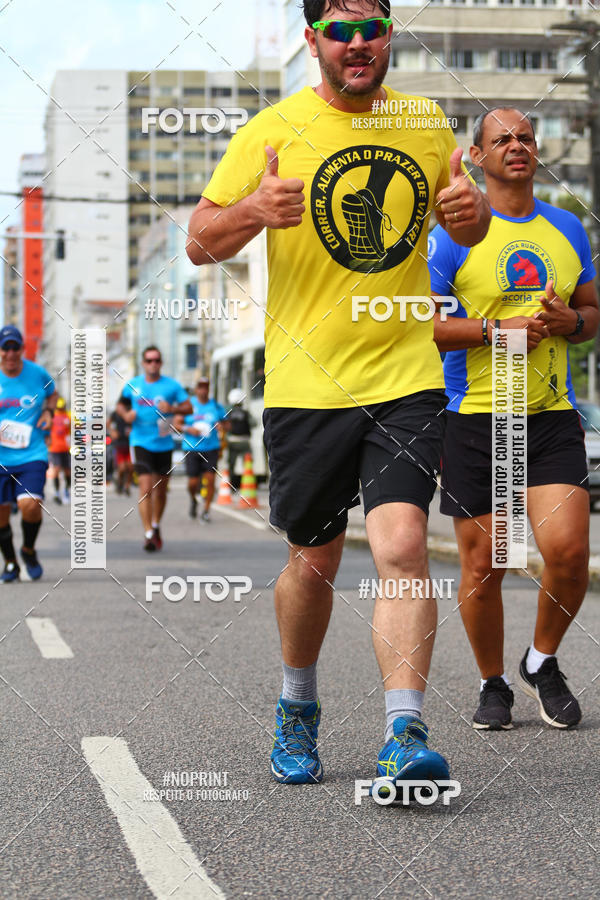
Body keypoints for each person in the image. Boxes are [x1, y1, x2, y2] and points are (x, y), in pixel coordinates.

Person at [186, 0, 489, 787]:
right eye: (342, 31)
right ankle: (297, 703)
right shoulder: (271, 130)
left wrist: (473, 214)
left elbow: (469, 217)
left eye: (373, 29)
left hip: (406, 376)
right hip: (306, 384)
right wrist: (254, 208)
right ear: (314, 40)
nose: (359, 45)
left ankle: (403, 729)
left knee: (403, 549)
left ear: (390, 36)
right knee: (312, 562)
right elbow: (199, 239)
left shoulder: (426, 124)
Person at [429, 107, 599, 730]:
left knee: (569, 553)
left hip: (551, 415)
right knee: (487, 564)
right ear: (477, 156)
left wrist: (567, 324)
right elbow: (426, 329)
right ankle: (492, 682)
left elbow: (590, 313)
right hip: (477, 418)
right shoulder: (451, 232)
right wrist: (497, 332)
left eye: (526, 136)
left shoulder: (566, 227)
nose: (516, 146)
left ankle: (541, 661)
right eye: (500, 139)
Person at [116, 346, 192, 552]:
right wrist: (126, 416)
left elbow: (189, 407)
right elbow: (120, 406)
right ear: (143, 363)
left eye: (156, 360)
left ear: (161, 363)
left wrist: (174, 408)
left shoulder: (171, 386)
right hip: (140, 441)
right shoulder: (133, 385)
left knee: (161, 491)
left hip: (164, 442)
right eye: (149, 360)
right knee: (145, 488)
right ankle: (148, 533)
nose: (153, 364)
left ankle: (156, 524)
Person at [0, 325, 57, 582]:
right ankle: (11, 562)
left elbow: (52, 394)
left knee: (30, 505)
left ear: (22, 349)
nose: (10, 353)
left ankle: (29, 550)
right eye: (6, 348)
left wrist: (49, 412)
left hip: (31, 453)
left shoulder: (37, 373)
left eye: (15, 347)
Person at [175, 377, 226, 522]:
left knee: (210, 480)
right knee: (193, 482)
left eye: (206, 387)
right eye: (200, 387)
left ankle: (206, 510)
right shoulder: (188, 405)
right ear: (196, 389)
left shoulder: (215, 406)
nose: (203, 390)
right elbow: (177, 424)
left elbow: (226, 424)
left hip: (211, 448)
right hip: (192, 448)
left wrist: (222, 426)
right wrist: (188, 428)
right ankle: (193, 499)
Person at [225, 388, 252, 492]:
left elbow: (225, 426)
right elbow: (254, 423)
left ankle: (232, 486)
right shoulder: (245, 413)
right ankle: (248, 485)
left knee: (231, 464)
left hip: (232, 441)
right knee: (247, 464)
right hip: (245, 441)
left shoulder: (228, 413)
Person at [47, 397, 71, 504]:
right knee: (56, 470)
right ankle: (57, 492)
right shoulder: (52, 417)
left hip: (66, 448)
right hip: (54, 448)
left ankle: (66, 490)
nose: (61, 409)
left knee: (67, 471)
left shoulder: (69, 416)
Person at [109, 399, 133, 496]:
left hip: (130, 444)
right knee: (122, 467)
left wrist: (133, 431)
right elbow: (108, 423)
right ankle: (119, 482)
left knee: (130, 467)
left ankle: (127, 486)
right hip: (119, 444)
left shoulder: (131, 413)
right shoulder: (115, 414)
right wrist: (112, 431)